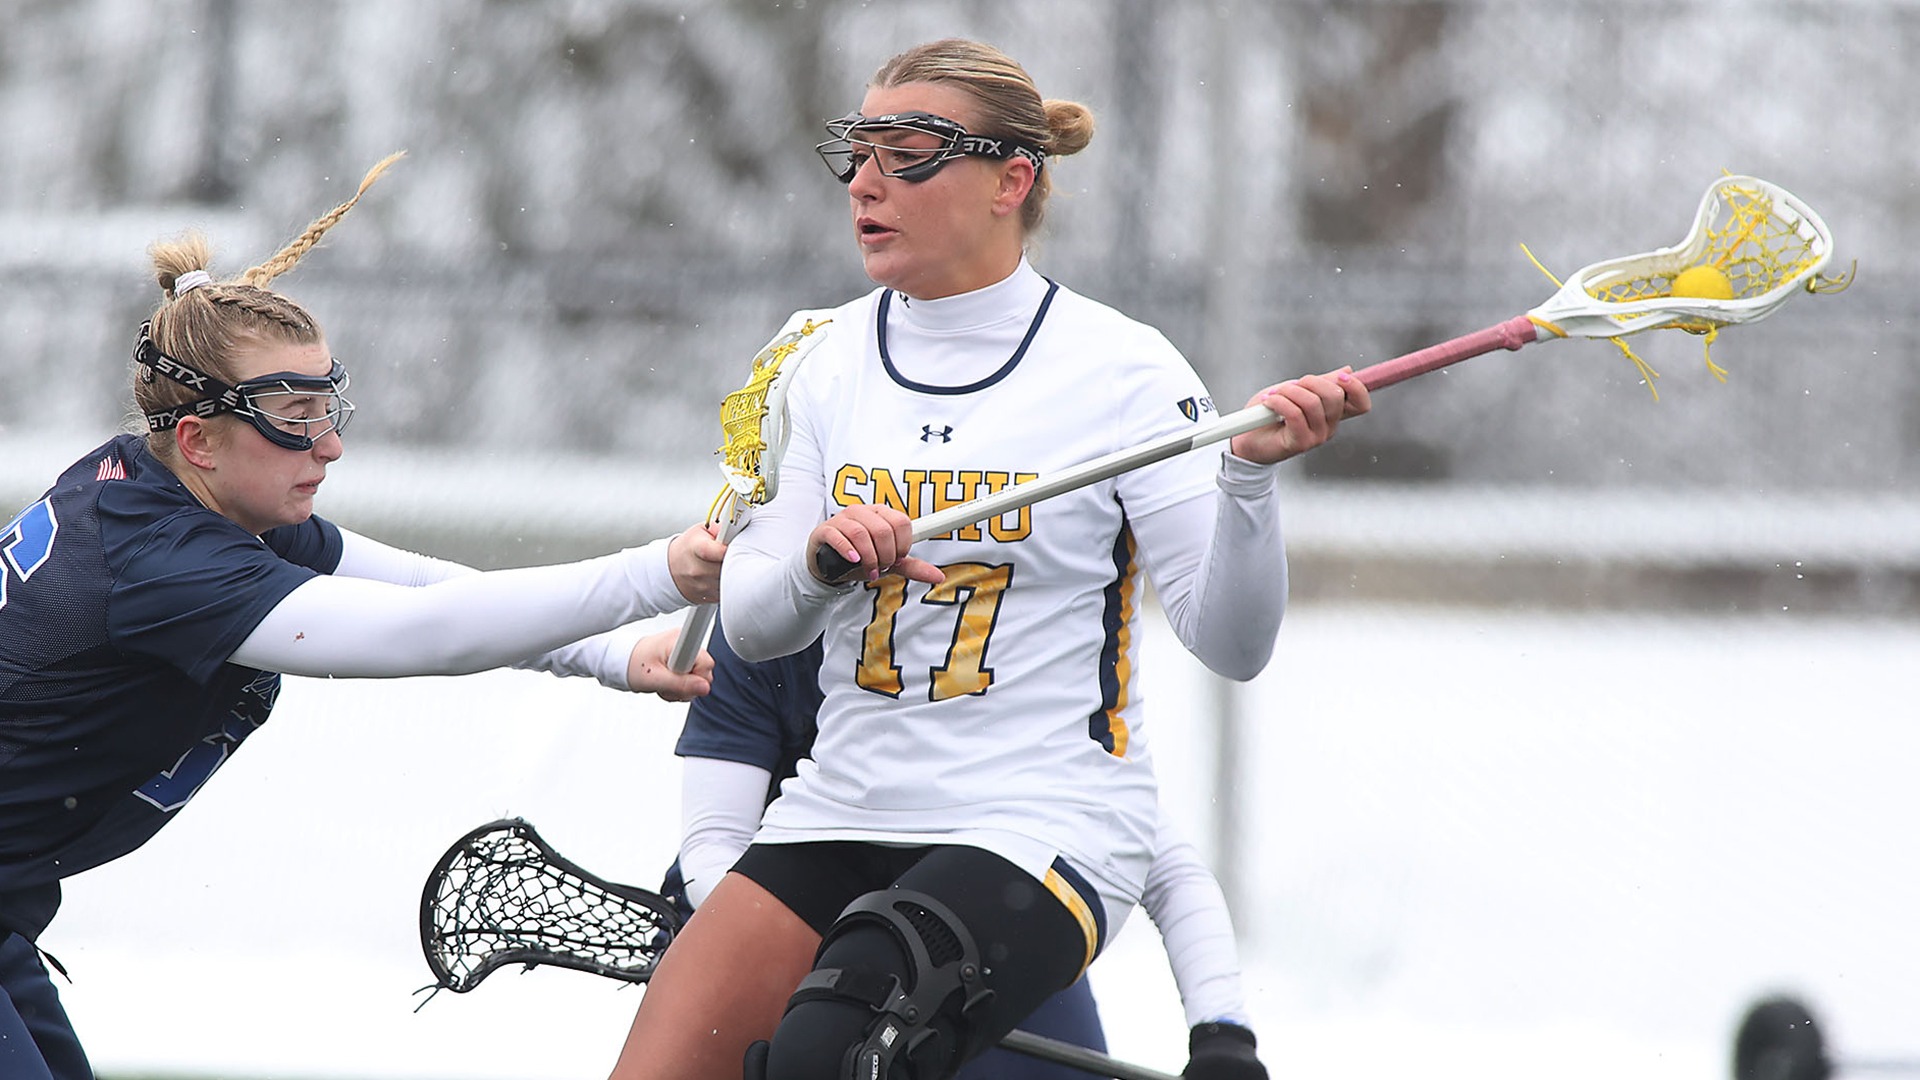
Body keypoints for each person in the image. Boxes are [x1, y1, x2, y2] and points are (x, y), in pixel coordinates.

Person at [610, 39, 1368, 1080]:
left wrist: (1246, 481)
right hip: (843, 804)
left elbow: (1234, 646)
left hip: (1039, 819)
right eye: (858, 151)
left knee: (828, 1050)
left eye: (908, 153)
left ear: (1012, 180)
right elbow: (752, 623)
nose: (865, 182)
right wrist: (821, 567)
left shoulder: (1125, 371)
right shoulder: (816, 358)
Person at [0, 153, 726, 1080]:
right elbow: (426, 636)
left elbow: (419, 588)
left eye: (327, 405)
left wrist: (614, 655)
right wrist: (656, 573)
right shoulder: (167, 563)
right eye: (295, 416)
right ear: (198, 439)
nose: (331, 444)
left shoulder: (179, 495)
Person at [660, 615, 1268, 1080]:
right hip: (810, 963)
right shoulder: (760, 628)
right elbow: (713, 843)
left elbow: (1159, 860)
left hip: (984, 963)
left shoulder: (992, 643)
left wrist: (1223, 1036)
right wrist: (827, 969)